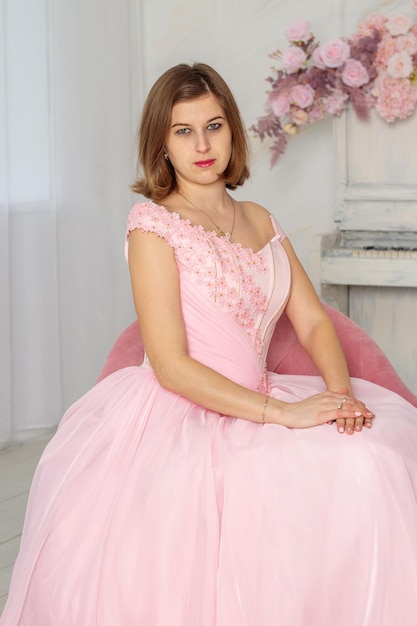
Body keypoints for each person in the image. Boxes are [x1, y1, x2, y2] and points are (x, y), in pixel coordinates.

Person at [2, 62, 417, 626]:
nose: (202, 144)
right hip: (181, 411)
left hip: (266, 394)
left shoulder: (260, 218)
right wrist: (285, 416)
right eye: (183, 131)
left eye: (214, 126)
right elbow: (171, 366)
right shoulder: (153, 225)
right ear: (161, 144)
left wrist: (339, 395)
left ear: (233, 132)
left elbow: (315, 322)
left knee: (377, 451)